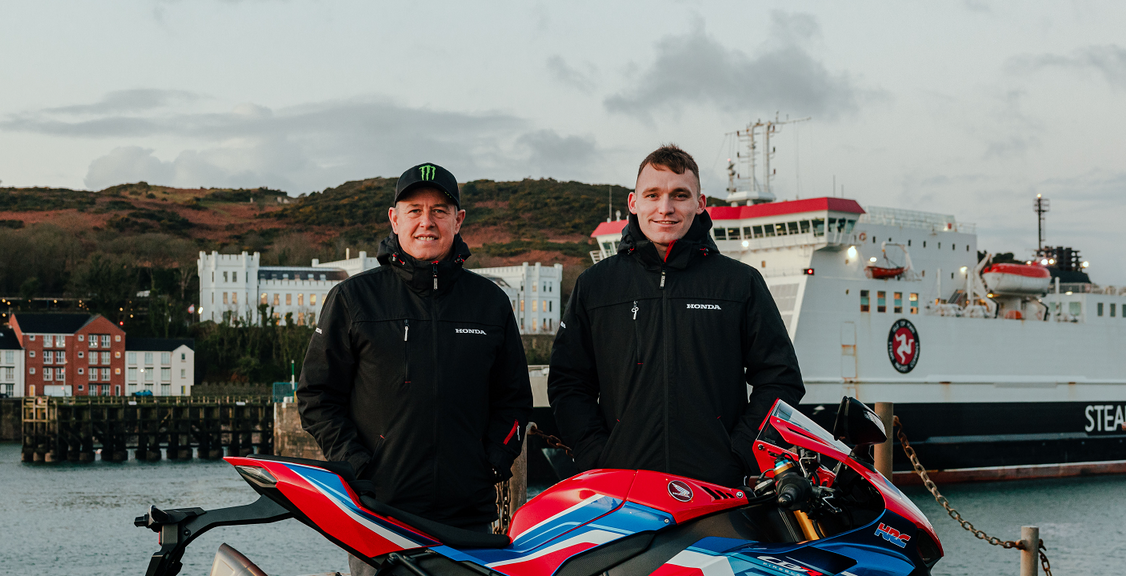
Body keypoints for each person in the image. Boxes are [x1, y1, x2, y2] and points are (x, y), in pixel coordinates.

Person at [548, 144, 804, 487]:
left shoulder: (739, 284)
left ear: (700, 204)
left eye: (680, 195)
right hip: (622, 487)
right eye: (652, 195)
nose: (665, 208)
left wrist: (741, 452)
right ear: (633, 203)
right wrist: (596, 454)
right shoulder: (596, 286)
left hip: (718, 488)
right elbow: (568, 382)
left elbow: (781, 378)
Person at [298, 161, 530, 535]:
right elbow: (316, 396)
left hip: (467, 515)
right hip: (378, 513)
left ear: (458, 220)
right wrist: (355, 466)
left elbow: (514, 399)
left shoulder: (491, 303)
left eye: (439, 211)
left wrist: (493, 461)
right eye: (414, 211)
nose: (427, 222)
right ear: (394, 219)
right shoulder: (353, 299)